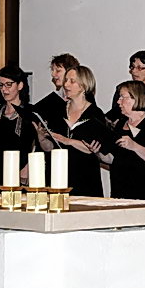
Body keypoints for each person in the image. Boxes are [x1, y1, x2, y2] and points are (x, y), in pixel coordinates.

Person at [36, 65, 105, 196]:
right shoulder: (56, 111)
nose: (66, 84)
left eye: (72, 81)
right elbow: (49, 148)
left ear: (84, 86)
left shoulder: (95, 114)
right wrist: (42, 138)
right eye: (66, 80)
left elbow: (92, 148)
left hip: (85, 178)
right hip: (58, 177)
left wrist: (68, 141)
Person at [97, 81, 145, 201]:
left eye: (122, 97)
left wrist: (135, 146)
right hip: (120, 192)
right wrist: (97, 151)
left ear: (136, 98)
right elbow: (113, 158)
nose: (118, 101)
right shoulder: (120, 124)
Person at [33, 53, 80, 128]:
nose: (53, 74)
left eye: (58, 71)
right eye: (52, 70)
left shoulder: (82, 96)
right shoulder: (55, 98)